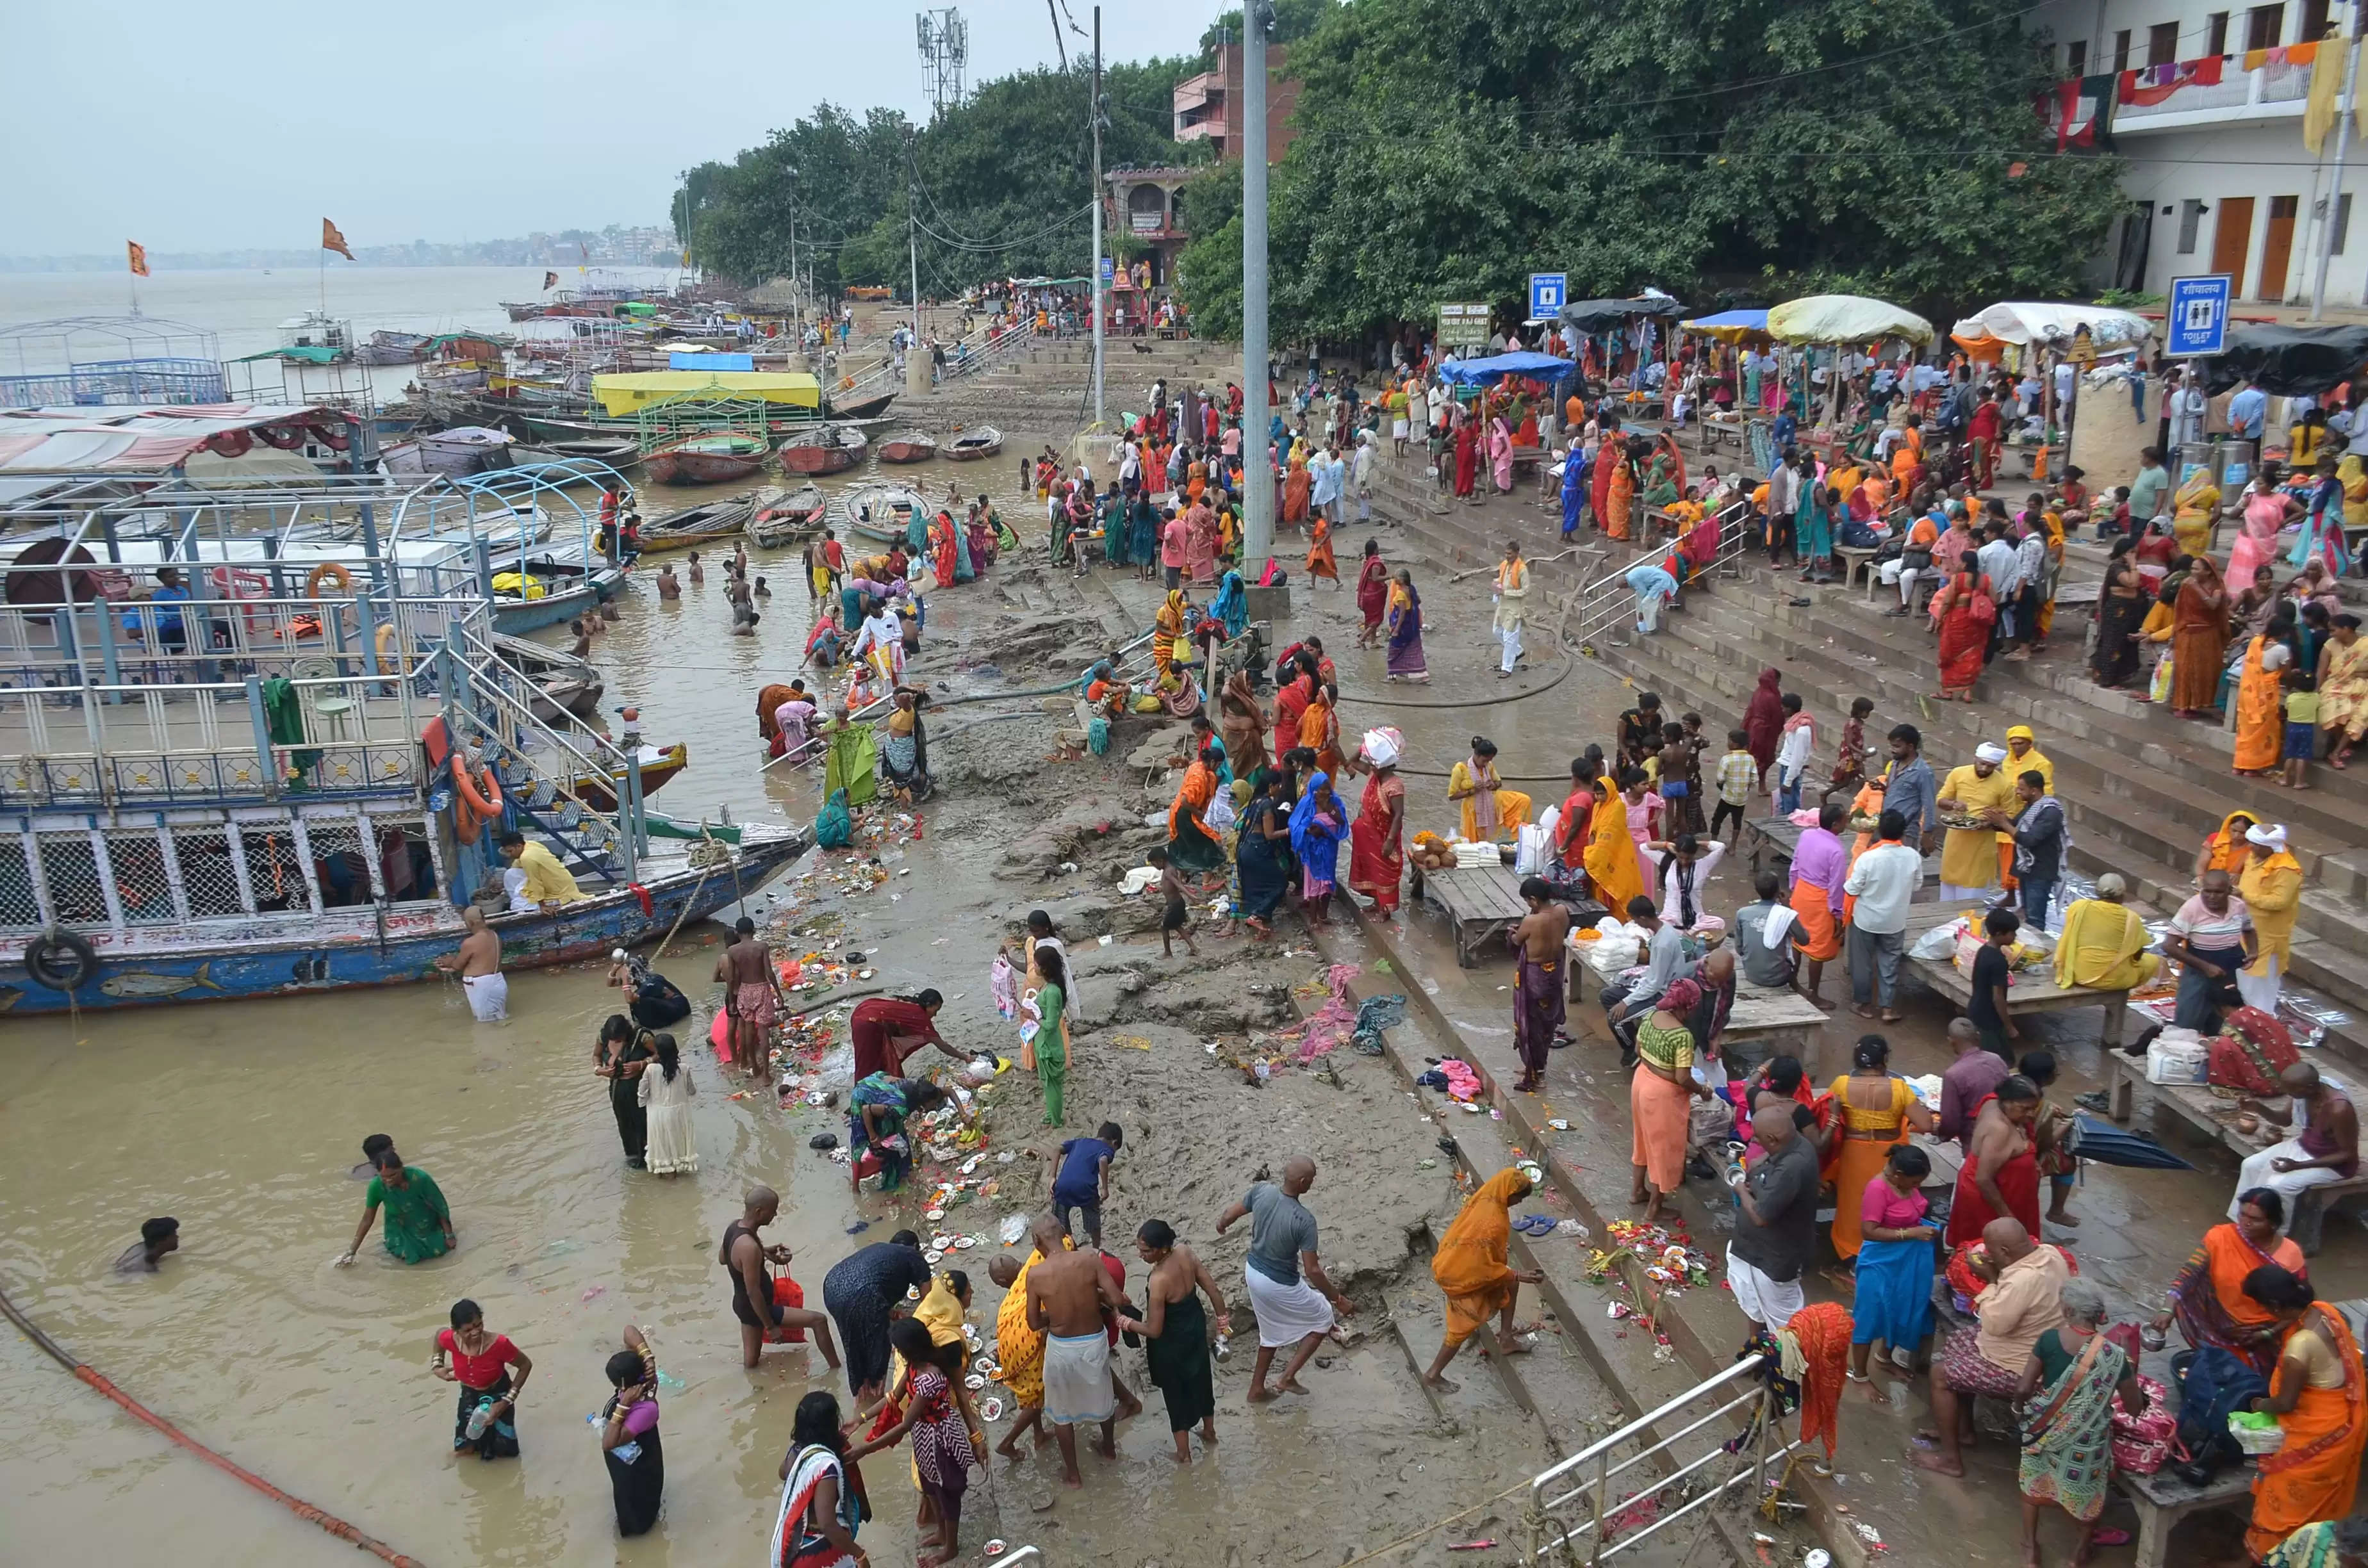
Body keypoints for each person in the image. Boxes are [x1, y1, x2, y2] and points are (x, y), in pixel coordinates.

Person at [1914, 1217, 2068, 1478]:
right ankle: (1963, 1430)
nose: (1988, 1254)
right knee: (1957, 1343)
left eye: (1992, 1250)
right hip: (2035, 1346)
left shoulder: (2022, 1280)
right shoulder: (2052, 1255)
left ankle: (1951, 1460)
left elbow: (1995, 1324)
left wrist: (1991, 1279)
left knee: (1940, 1374)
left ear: (2005, 1252)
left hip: (2020, 1366)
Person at [2242, 1266, 2368, 1564]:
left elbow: (2285, 1403)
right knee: (2318, 1505)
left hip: (2317, 1436)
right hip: (2342, 1424)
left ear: (2274, 1306)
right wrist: (2270, 1332)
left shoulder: (2299, 1346)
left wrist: (2259, 1404)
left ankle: (2274, 1556)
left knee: (2282, 1505)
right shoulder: (2325, 1311)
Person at [2015, 1279, 2144, 1564]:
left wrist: (2018, 1410)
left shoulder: (2048, 1340)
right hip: (2086, 1444)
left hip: (2042, 1433)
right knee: (2089, 1499)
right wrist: (2129, 1365)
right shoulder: (2115, 1355)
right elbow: (2134, 1408)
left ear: (2069, 1310)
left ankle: (2030, 1549)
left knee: (2032, 1487)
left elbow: (2024, 1389)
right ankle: (2079, 1554)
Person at [1216, 1156, 1353, 1402]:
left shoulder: (1262, 1191)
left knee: (1269, 1333)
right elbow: (1313, 1271)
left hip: (1253, 1272)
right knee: (1323, 1316)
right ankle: (1287, 1377)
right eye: (1311, 1180)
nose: (1311, 1184)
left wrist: (1222, 1224)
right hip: (1278, 1282)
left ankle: (1257, 1389)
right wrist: (1338, 1298)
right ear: (1303, 1183)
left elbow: (1231, 1214)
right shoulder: (1305, 1220)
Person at [847, 1316, 981, 1560]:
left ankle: (951, 1547)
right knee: (930, 1487)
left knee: (947, 1494)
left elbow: (906, 1424)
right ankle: (942, 1533)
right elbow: (893, 1397)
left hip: (940, 1440)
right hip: (923, 1437)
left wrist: (866, 1449)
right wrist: (861, 1418)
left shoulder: (930, 1377)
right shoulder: (914, 1366)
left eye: (898, 1348)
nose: (895, 1351)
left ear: (909, 1350)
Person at [2157, 1189, 2311, 1377]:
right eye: (2242, 1215)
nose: (2245, 1223)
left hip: (2264, 1332)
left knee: (2256, 1378)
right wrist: (2167, 1309)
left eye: (2255, 1219)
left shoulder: (2290, 1255)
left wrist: (2269, 1334)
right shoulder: (2220, 1237)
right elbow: (2189, 1274)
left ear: (2272, 1223)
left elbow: (2301, 1304)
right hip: (2218, 1323)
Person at [1420, 1168, 1545, 1389]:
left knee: (1511, 1284)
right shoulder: (1492, 1222)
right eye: (1519, 1198)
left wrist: (1513, 1277)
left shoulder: (1488, 1197)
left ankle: (1506, 1339)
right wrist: (1517, 1273)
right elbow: (1482, 1266)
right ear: (1509, 1193)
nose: (1518, 1203)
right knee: (1461, 1328)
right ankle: (1433, 1374)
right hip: (1460, 1275)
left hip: (1455, 1258)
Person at [1114, 1219, 1226, 1463]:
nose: (1140, 1255)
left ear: (1162, 1249)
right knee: (1201, 1378)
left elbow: (1154, 1330)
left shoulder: (1159, 1280)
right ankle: (1209, 1432)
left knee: (1176, 1393)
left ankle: (1183, 1454)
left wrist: (1125, 1322)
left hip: (1171, 1343)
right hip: (1195, 1327)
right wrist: (1222, 1325)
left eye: (1146, 1251)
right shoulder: (1185, 1252)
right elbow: (1213, 1290)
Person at [1024, 1220, 1126, 1485]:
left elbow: (1034, 1323)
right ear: (1065, 1235)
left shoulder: (1035, 1275)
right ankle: (1109, 1449)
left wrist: (1056, 1315)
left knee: (1061, 1411)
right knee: (1104, 1395)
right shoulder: (1090, 1259)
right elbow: (1117, 1299)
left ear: (1037, 1242)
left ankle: (1073, 1474)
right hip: (1094, 1341)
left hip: (1062, 1347)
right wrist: (1094, 1295)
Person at [1827, 1035, 1937, 1262]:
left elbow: (1826, 1113)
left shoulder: (1841, 1084)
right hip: (1889, 1157)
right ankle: (1886, 1247)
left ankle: (1851, 1250)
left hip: (1854, 1154)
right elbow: (1926, 1124)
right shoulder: (1899, 1088)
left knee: (1854, 1204)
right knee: (1888, 1202)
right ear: (1885, 1059)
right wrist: (1903, 1122)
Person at [721, 1186, 841, 1371]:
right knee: (819, 1320)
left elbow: (724, 1258)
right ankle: (837, 1370)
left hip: (742, 1305)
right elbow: (754, 1292)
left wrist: (764, 1253)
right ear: (759, 1212)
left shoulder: (734, 1228)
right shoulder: (749, 1247)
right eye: (773, 1210)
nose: (776, 1214)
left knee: (751, 1363)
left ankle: (752, 1386)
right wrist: (770, 1326)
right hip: (757, 1308)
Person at [2233, 1063, 2362, 1234]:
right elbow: (2285, 1121)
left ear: (2309, 1088)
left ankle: (2273, 1235)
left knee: (2278, 1186)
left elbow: (2347, 1154)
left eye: (2291, 1090)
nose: (2288, 1093)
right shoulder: (2304, 1094)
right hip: (2302, 1147)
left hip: (2333, 1164)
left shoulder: (2339, 1109)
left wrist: (2297, 1166)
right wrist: (2258, 1107)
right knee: (2251, 1165)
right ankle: (2240, 1224)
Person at [1729, 1100, 1820, 1342]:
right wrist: (1759, 1171)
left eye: (1758, 1138)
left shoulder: (1792, 1167)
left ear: (1773, 1139)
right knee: (1753, 1305)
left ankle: (1787, 1371)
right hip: (1750, 1250)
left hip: (1775, 1259)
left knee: (1786, 1326)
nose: (1755, 1142)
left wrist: (1741, 1190)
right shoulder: (1788, 1149)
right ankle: (1755, 1349)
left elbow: (1760, 1216)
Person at [1850, 1143, 1939, 1387]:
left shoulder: (1905, 1184)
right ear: (1898, 1175)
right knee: (1870, 1313)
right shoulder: (1878, 1189)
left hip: (1908, 1259)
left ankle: (1884, 1358)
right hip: (1880, 1261)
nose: (1917, 1187)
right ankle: (1860, 1375)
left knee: (1901, 1307)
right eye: (1914, 1182)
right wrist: (1911, 1233)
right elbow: (1869, 1231)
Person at [1632, 977, 1717, 1221]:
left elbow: (1639, 1052)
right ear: (1688, 1006)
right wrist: (1702, 1090)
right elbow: (1682, 1078)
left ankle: (1637, 1190)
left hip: (1641, 1082)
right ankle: (1654, 1208)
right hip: (1662, 1096)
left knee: (1642, 1141)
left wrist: (1655, 1066)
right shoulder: (1682, 1036)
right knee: (1664, 1150)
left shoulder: (1650, 1017)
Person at [823, 1232, 934, 1405]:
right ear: (916, 1248)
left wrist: (890, 1313)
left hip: (832, 1287)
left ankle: (860, 1394)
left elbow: (875, 1282)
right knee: (879, 1347)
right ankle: (874, 1401)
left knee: (853, 1343)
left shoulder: (883, 1252)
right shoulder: (914, 1256)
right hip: (861, 1295)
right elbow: (929, 1304)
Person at [770, 1390, 866, 1568]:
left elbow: (782, 1473)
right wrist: (859, 1554)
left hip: (793, 1548)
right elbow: (827, 1524)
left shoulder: (796, 1454)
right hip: (814, 1555)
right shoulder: (826, 1467)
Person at [1841, 809, 1920, 1021]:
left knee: (1863, 963)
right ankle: (1887, 1008)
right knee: (1889, 964)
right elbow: (1917, 885)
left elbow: (1852, 888)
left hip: (1866, 919)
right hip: (1895, 920)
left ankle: (1864, 1005)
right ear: (1903, 833)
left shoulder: (1869, 858)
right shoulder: (1913, 856)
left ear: (1879, 831)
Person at [1947, 1073, 2044, 1245]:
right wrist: (2006, 1215)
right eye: (2025, 1109)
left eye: (2034, 1108)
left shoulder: (1993, 1102)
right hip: (1988, 1199)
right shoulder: (2000, 1130)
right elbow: (1984, 1179)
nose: (2031, 1114)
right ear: (2007, 1101)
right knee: (1991, 1246)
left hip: (2006, 1188)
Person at [432, 1298, 530, 1461]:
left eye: (478, 1325)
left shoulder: (499, 1344)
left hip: (499, 1392)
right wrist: (437, 1366)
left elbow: (525, 1365)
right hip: (469, 1392)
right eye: (468, 1330)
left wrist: (505, 1402)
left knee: (504, 1454)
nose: (476, 1332)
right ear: (455, 1330)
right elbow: (438, 1336)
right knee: (465, 1447)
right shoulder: (450, 1339)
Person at [2165, 869, 2256, 1033]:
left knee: (2224, 1024)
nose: (2212, 897)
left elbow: (2249, 929)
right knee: (2188, 1022)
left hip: (2226, 972)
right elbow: (2169, 946)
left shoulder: (2239, 907)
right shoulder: (2191, 909)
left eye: (2218, 892)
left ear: (2229, 891)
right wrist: (2206, 967)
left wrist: (2253, 952)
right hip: (2198, 973)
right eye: (2207, 892)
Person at [598, 1325, 664, 1536]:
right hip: (626, 1460)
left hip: (638, 1464)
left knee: (638, 1508)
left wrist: (624, 1406)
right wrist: (647, 1357)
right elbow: (628, 1330)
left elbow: (609, 1443)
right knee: (624, 1494)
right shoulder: (636, 1383)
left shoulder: (644, 1409)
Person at [1510, 876, 1572, 1093]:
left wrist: (1514, 932)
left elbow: (1518, 941)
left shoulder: (1532, 921)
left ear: (1534, 900)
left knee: (1532, 1026)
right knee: (1547, 1025)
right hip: (1554, 973)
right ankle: (1538, 1067)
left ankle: (1537, 1073)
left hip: (1535, 977)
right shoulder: (1562, 911)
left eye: (1528, 902)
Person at [2051, 872, 2163, 991]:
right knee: (2153, 961)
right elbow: (2137, 955)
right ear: (2122, 895)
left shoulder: (2078, 907)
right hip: (2114, 981)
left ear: (2097, 892)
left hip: (2075, 973)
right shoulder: (2131, 918)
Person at [338, 1149, 452, 1266]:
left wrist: (449, 1235)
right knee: (403, 1257)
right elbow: (367, 1219)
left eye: (393, 1175)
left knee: (438, 1252)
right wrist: (352, 1251)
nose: (388, 1180)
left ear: (402, 1168)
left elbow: (439, 1206)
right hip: (398, 1228)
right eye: (383, 1177)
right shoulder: (376, 1186)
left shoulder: (420, 1179)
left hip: (426, 1223)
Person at [1788, 801, 1849, 1004]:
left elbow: (1795, 865)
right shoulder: (1837, 852)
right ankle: (1813, 994)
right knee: (1817, 950)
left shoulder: (1807, 835)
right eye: (1844, 819)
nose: (1847, 821)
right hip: (1820, 901)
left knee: (1797, 940)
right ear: (1835, 825)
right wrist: (1838, 916)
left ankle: (1792, 982)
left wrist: (1793, 889)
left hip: (1801, 892)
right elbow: (1836, 887)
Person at [1936, 744, 2014, 901]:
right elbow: (1940, 800)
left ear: (1997, 766)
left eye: (1990, 766)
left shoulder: (2004, 785)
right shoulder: (1958, 774)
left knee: (1971, 900)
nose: (1984, 769)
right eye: (1981, 763)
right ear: (1975, 759)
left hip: (1980, 847)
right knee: (1947, 895)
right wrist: (1953, 805)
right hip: (1955, 842)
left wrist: (1990, 823)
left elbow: (2010, 815)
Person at [715, 916, 783, 1081]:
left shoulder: (732, 951)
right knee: (763, 1031)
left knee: (748, 1030)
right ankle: (766, 1075)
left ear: (737, 933)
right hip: (761, 988)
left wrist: (732, 1001)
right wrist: (779, 995)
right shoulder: (762, 947)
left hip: (744, 991)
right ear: (753, 931)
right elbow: (769, 972)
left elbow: (731, 978)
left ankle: (755, 1068)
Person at [1348, 728, 1407, 915]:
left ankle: (1385, 910)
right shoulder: (1374, 775)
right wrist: (1366, 746)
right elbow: (1353, 761)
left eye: (1375, 762)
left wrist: (1390, 841)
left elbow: (1398, 815)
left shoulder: (1394, 785)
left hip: (1384, 836)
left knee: (1384, 872)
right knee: (1372, 869)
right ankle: (1376, 902)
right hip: (1368, 834)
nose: (1371, 765)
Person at [2170, 553, 2232, 719]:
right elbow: (2178, 608)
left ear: (2208, 572)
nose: (2192, 572)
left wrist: (2197, 587)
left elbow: (2213, 605)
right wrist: (2173, 633)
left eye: (2196, 569)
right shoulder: (2186, 585)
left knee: (2204, 671)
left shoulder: (2216, 587)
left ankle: (2197, 704)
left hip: (2207, 634)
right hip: (2187, 632)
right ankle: (2183, 706)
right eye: (2192, 568)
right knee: (2185, 669)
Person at [848, 991, 960, 1081]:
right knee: (867, 1063)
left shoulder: (908, 1003)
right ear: (928, 1005)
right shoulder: (920, 1016)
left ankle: (872, 1091)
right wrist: (966, 1058)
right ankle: (861, 1098)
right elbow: (941, 1045)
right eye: (935, 1010)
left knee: (877, 1058)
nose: (935, 1015)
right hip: (868, 1024)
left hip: (863, 1011)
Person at [2009, 767, 2066, 931]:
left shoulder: (2050, 812)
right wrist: (1995, 821)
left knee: (2035, 918)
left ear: (2033, 791)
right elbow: (2015, 826)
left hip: (2040, 871)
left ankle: (2037, 952)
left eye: (2021, 789)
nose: (2017, 792)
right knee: (2027, 912)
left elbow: (2029, 839)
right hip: (2027, 868)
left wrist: (2004, 824)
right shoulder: (2031, 806)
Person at [1288, 771, 1347, 925]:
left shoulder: (1334, 803)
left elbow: (1341, 821)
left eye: (1327, 789)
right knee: (1315, 884)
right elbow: (1295, 825)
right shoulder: (1307, 804)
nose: (1325, 792)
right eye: (1321, 789)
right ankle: (1313, 921)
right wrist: (1309, 831)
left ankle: (1323, 915)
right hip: (1313, 851)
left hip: (1329, 850)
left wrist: (1328, 808)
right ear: (1314, 788)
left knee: (1328, 883)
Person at [593, 1015, 653, 1168]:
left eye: (619, 1040)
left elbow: (663, 1053)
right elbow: (596, 1056)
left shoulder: (642, 1037)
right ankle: (633, 1157)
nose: (616, 1043)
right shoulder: (603, 1037)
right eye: (614, 1040)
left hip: (642, 1088)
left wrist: (642, 1064)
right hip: (618, 1090)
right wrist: (600, 1070)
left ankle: (653, 1155)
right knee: (624, 1123)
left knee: (645, 1122)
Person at [1051, 1122, 1123, 1248]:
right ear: (1115, 1143)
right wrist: (1105, 1189)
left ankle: (1070, 1246)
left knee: (1061, 1221)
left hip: (1062, 1186)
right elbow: (1103, 1160)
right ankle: (1096, 1249)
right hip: (1085, 1189)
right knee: (1093, 1222)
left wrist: (1052, 1177)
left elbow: (1057, 1149)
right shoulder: (1106, 1149)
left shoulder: (1080, 1141)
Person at [1448, 736, 1530, 843]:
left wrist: (1494, 785)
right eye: (1484, 760)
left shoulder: (1489, 766)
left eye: (1489, 760)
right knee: (1473, 844)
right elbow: (1452, 796)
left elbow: (1498, 782)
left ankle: (1517, 841)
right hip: (1472, 809)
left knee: (1524, 800)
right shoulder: (1460, 769)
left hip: (1491, 800)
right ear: (1477, 756)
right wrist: (1472, 791)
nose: (1486, 763)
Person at [636, 1033, 696, 1176]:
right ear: (676, 1050)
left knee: (661, 1147)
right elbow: (691, 1091)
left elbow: (642, 1094)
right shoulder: (684, 1068)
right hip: (680, 1114)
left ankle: (663, 1178)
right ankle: (677, 1173)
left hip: (657, 1115)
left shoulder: (651, 1069)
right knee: (677, 1145)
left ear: (658, 1053)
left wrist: (644, 1103)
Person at [434, 905, 506, 1021]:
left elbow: (458, 965)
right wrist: (452, 966)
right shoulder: (495, 936)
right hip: (497, 981)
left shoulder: (470, 942)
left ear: (471, 923)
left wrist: (450, 961)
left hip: (482, 986)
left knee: (486, 1026)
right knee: (498, 1019)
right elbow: (480, 961)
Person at [1028, 943, 1073, 1127]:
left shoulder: (1053, 992)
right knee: (1047, 1084)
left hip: (1050, 1046)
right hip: (1042, 1042)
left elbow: (1052, 1024)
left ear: (1045, 968)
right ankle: (1051, 1112)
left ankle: (1056, 1120)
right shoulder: (1047, 987)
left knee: (1053, 1086)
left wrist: (1033, 1017)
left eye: (1036, 965)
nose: (1034, 968)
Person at [1732, 868, 1798, 992]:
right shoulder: (1785, 913)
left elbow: (1739, 949)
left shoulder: (1743, 913)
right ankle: (1796, 986)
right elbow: (1804, 940)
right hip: (1778, 978)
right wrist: (1788, 908)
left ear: (1757, 890)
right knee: (1792, 953)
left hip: (1751, 974)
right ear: (1778, 891)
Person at [496, 831, 585, 906]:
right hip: (562, 882)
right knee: (510, 874)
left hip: (560, 892)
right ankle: (525, 900)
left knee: (517, 906)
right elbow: (516, 865)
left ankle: (541, 905)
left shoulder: (527, 857)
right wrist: (502, 885)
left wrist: (542, 905)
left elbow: (536, 881)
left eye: (510, 851)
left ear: (519, 846)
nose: (510, 855)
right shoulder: (530, 844)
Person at [1492, 540, 1529, 676]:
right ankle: (1518, 651)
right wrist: (1496, 584)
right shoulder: (1504, 565)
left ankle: (1507, 668)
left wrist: (1506, 593)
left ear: (1517, 553)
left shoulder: (1522, 570)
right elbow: (1502, 580)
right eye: (1506, 553)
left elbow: (1526, 591)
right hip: (1502, 605)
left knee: (1509, 637)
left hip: (1515, 607)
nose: (1507, 556)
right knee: (1497, 631)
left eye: (1510, 554)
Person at [1354, 539, 1389, 646]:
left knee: (1371, 618)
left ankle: (1373, 642)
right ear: (1375, 550)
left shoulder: (1367, 561)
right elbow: (1375, 578)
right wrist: (1390, 577)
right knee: (1377, 620)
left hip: (1367, 594)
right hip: (1374, 595)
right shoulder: (1376, 563)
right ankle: (1362, 639)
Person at [115, 1216, 179, 1274]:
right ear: (160, 1243)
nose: (177, 1237)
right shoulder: (148, 1269)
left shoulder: (139, 1247)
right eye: (174, 1235)